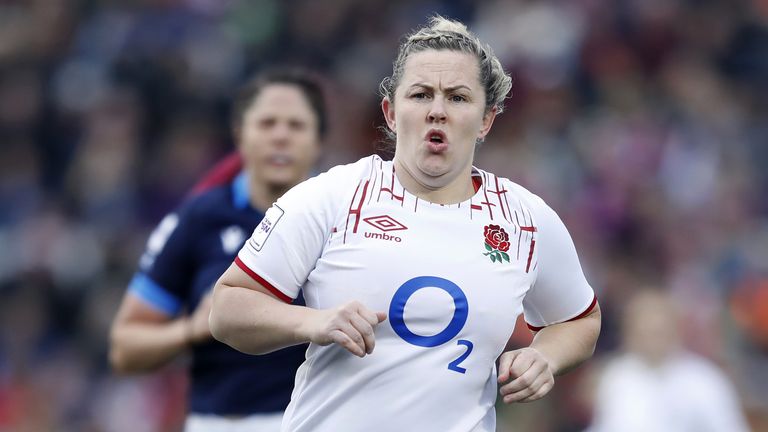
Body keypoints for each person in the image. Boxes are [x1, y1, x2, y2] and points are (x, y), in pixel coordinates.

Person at [210, 16, 601, 432]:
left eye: (457, 98)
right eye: (420, 95)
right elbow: (227, 308)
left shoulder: (526, 220)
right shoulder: (331, 197)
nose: (437, 111)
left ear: (486, 120)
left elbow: (579, 319)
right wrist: (312, 321)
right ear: (391, 113)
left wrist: (545, 358)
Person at [109, 68, 327, 432]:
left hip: (318, 421)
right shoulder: (199, 218)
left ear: (318, 141)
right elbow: (124, 349)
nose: (281, 137)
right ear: (240, 135)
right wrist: (192, 329)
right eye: (267, 123)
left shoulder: (345, 219)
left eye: (296, 125)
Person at [587, 289, 750, 432]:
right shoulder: (614, 378)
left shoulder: (705, 380)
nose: (651, 341)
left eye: (658, 332)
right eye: (643, 332)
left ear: (676, 330)